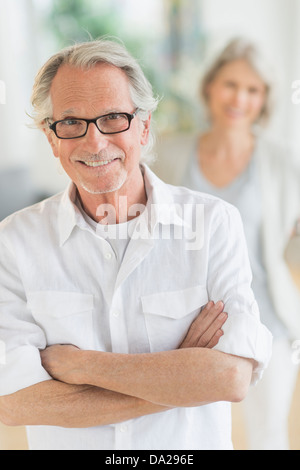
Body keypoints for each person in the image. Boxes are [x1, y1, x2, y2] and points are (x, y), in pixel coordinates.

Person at [0, 38, 271, 451]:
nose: (94, 142)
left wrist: (80, 366)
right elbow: (15, 404)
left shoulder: (214, 224)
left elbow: (231, 378)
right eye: (71, 122)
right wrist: (180, 379)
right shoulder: (14, 242)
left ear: (144, 126)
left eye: (113, 118)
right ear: (51, 137)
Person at [153, 37, 300, 450]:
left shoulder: (282, 162)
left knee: (268, 434)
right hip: (187, 326)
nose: (240, 98)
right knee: (184, 436)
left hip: (266, 320)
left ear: (264, 100)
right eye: (230, 84)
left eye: (253, 90)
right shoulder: (169, 154)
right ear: (210, 88)